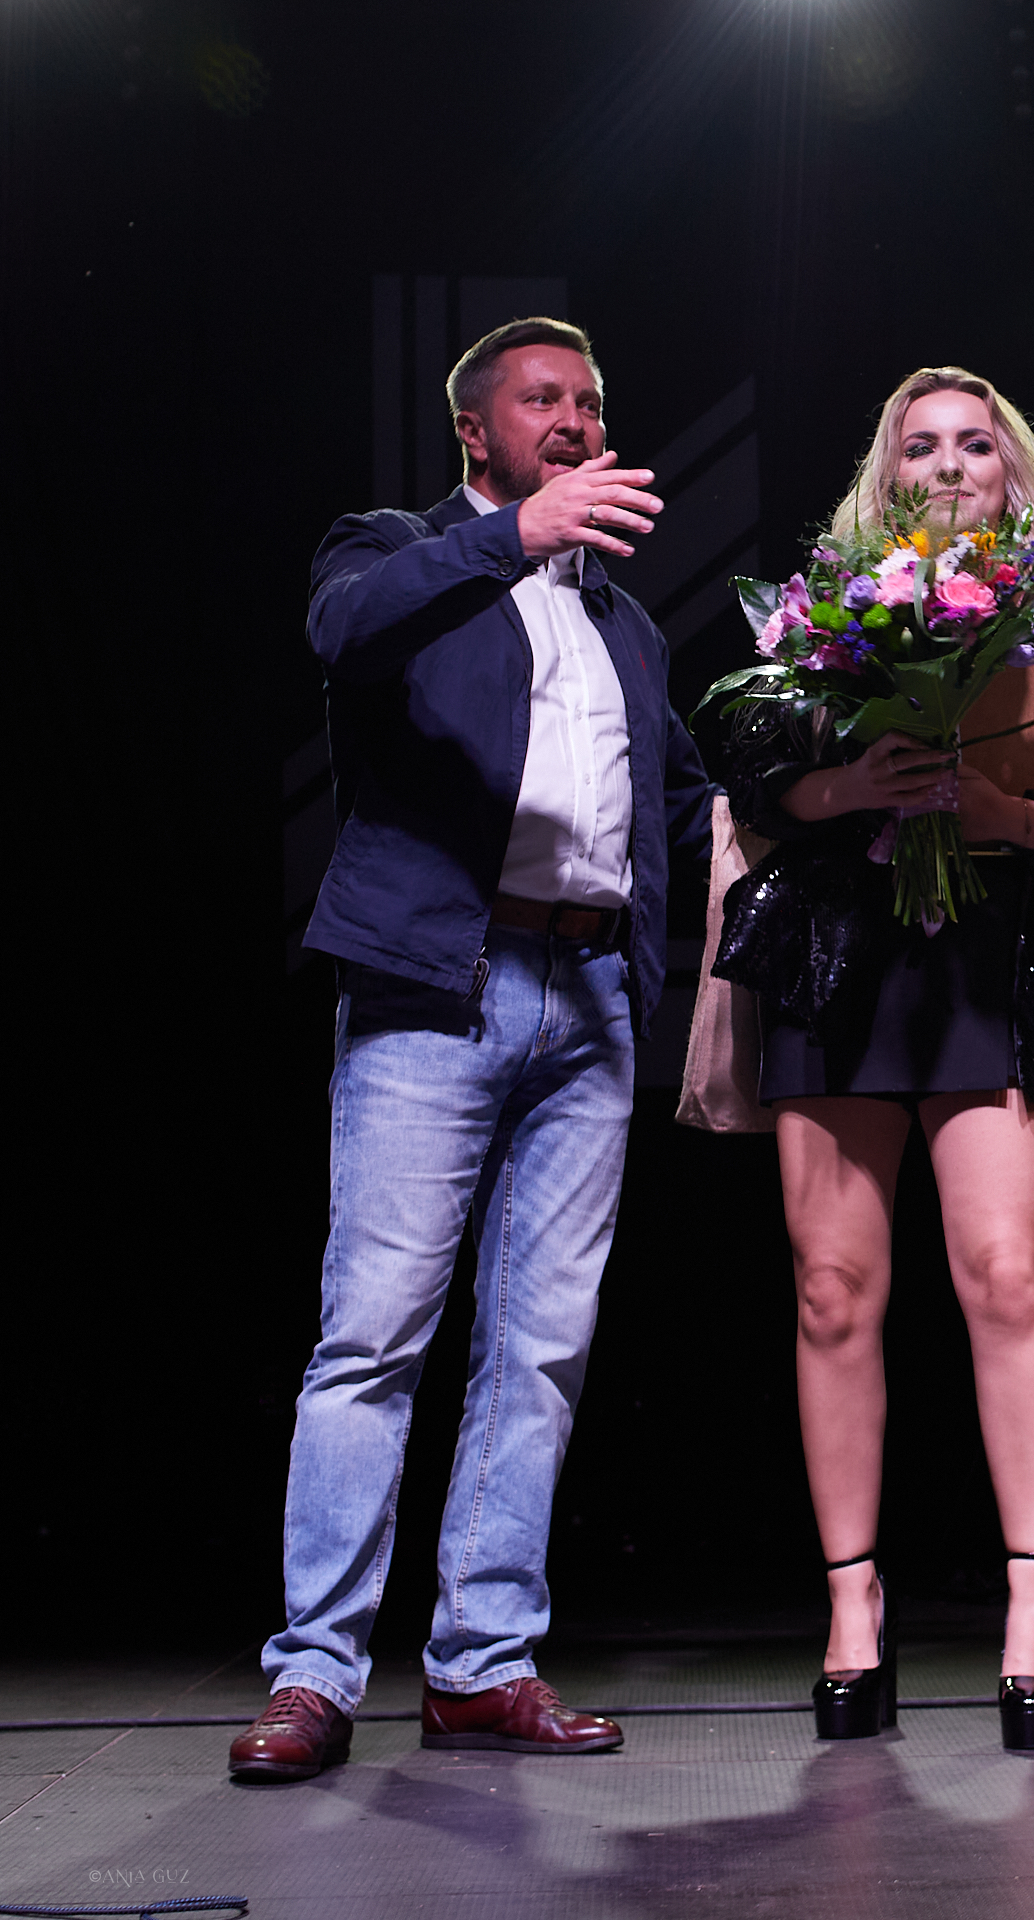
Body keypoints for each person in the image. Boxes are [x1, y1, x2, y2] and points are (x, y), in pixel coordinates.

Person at [229, 318, 716, 1780]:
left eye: (591, 402)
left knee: (541, 1348)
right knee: (372, 1335)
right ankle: (315, 1675)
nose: (574, 420)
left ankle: (481, 1664)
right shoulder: (393, 550)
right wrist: (511, 538)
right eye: (541, 399)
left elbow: (679, 805)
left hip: (590, 1001)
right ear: (473, 431)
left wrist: (836, 789)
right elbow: (342, 633)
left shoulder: (624, 624)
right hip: (438, 985)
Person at [713, 365, 1034, 1750]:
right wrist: (840, 785)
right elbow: (745, 774)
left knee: (1002, 1276)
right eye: (920, 446)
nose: (948, 466)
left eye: (975, 445)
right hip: (838, 964)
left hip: (984, 961)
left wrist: (1008, 815)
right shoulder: (822, 618)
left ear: (1012, 475)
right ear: (887, 474)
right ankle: (853, 1609)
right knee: (830, 1290)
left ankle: (1031, 1608)